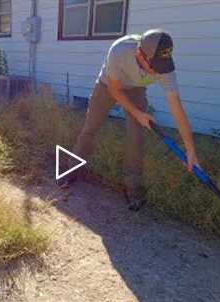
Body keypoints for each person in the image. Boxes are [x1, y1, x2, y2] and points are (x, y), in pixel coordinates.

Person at [60, 29, 200, 212]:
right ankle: (71, 171)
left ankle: (133, 189)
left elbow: (177, 109)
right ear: (140, 54)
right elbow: (114, 90)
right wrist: (138, 113)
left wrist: (190, 150)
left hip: (135, 90)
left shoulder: (165, 69)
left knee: (136, 138)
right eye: (154, 65)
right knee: (90, 129)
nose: (157, 71)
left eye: (161, 65)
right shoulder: (120, 50)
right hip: (107, 87)